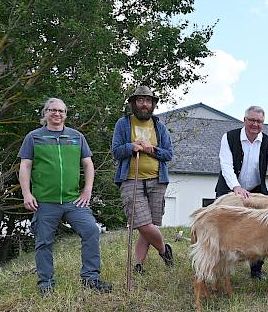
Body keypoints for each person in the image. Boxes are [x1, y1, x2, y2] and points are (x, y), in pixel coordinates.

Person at [19, 97, 112, 294]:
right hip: (44, 202)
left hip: (73, 200)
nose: (57, 114)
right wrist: (27, 194)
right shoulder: (34, 137)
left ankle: (90, 278)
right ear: (45, 113)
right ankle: (46, 283)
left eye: (61, 111)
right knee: (43, 241)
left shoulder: (77, 137)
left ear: (65, 115)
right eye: (52, 110)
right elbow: (25, 166)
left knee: (91, 231)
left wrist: (87, 190)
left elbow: (88, 164)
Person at [215, 105, 268, 280]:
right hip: (230, 187)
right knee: (222, 226)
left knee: (262, 228)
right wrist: (236, 187)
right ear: (244, 120)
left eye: (259, 121)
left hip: (256, 190)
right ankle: (219, 266)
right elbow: (226, 165)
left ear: (263, 123)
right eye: (252, 120)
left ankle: (256, 269)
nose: (255, 124)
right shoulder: (229, 137)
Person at [110, 85, 174, 274]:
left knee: (149, 225)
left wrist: (150, 150)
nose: (144, 104)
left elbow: (168, 154)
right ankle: (164, 250)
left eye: (148, 101)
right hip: (131, 180)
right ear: (133, 104)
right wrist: (131, 147)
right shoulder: (123, 124)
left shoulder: (159, 127)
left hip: (157, 180)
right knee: (141, 223)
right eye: (140, 100)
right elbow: (116, 151)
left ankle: (138, 265)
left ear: (153, 104)